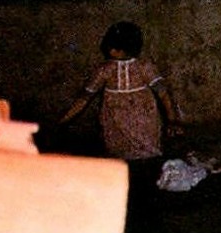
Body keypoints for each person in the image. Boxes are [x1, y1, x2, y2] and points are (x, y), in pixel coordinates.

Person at [59, 21, 183, 164]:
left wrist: (173, 120)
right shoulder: (105, 70)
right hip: (115, 123)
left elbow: (163, 93)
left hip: (143, 122)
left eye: (114, 46)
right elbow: (85, 97)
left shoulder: (144, 67)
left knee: (147, 156)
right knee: (119, 157)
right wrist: (63, 121)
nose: (110, 49)